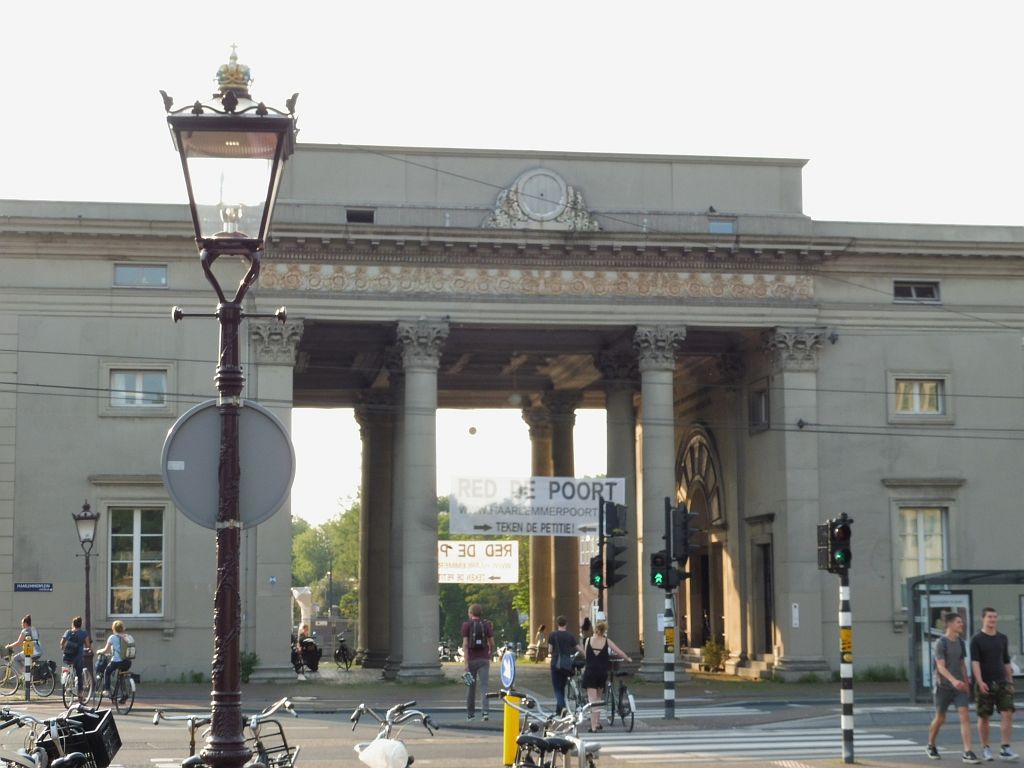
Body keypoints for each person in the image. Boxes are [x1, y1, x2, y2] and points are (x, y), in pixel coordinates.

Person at [926, 612, 978, 763]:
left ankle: (967, 751)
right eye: (958, 622)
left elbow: (961, 663)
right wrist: (954, 680)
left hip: (959, 686)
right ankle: (931, 744)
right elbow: (940, 667)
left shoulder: (961, 643)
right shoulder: (940, 643)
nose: (961, 624)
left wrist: (966, 682)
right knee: (940, 718)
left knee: (965, 716)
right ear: (949, 624)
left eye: (961, 622)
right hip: (943, 687)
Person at [970, 607, 1019, 762]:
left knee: (1008, 712)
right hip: (985, 683)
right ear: (983, 618)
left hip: (1002, 682)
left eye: (995, 617)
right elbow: (975, 662)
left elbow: (1006, 661)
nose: (992, 619)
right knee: (984, 716)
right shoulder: (976, 639)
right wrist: (980, 681)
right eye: (990, 617)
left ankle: (1005, 748)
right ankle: (986, 748)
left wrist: (1010, 681)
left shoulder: (1002, 638)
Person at [581, 620, 632, 732]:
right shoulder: (606, 641)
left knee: (592, 701)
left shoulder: (588, 640)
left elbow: (587, 657)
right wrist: (627, 658)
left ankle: (593, 726)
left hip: (590, 672)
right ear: (604, 630)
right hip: (601, 672)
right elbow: (619, 651)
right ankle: (597, 723)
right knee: (598, 699)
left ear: (595, 629)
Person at [461, 603, 494, 721]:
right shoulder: (486, 625)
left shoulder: (466, 625)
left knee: (470, 687)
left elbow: (465, 644)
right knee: (484, 686)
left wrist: (465, 663)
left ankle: (470, 714)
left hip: (471, 660)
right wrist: (490, 654)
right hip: (484, 660)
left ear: (470, 613)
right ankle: (485, 713)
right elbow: (492, 643)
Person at [547, 615, 578, 715]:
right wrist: (586, 654)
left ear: (557, 624)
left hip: (555, 664)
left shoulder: (553, 635)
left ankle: (562, 707)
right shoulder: (570, 636)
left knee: (557, 688)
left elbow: (550, 650)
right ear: (566, 624)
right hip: (566, 665)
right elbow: (578, 647)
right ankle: (559, 710)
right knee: (562, 687)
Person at [60, 616, 92, 700]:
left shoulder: (68, 632)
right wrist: (89, 650)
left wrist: (63, 648)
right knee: (79, 675)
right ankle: (80, 694)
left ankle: (67, 683)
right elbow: (88, 645)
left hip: (67, 656)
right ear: (80, 625)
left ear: (73, 624)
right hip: (78, 657)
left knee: (69, 668)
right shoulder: (83, 633)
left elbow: (62, 643)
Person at [98, 620, 131, 697]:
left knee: (107, 672)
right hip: (127, 662)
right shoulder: (126, 637)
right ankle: (124, 693)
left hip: (117, 661)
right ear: (122, 628)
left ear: (113, 628)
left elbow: (106, 650)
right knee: (121, 676)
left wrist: (99, 651)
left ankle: (107, 690)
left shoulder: (112, 637)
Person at [5, 614, 41, 679]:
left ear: (25, 623)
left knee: (15, 659)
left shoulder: (25, 630)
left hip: (31, 651)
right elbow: (32, 640)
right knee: (25, 661)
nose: (21, 624)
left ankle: (25, 676)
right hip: (39, 650)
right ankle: (28, 677)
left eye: (22, 623)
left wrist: (9, 646)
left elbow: (19, 642)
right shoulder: (34, 629)